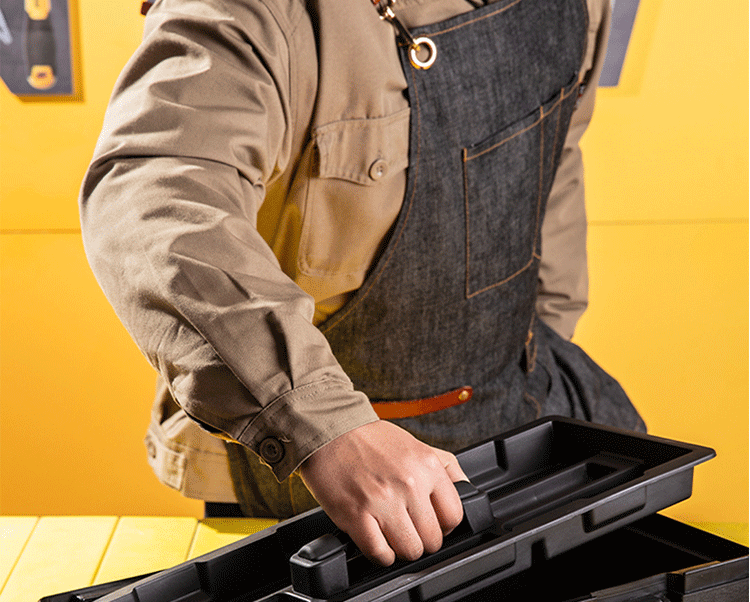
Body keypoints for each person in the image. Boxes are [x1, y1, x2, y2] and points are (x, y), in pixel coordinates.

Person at [79, 0, 645, 567]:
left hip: (520, 421)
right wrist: (324, 425)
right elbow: (153, 198)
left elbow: (556, 154)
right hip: (315, 484)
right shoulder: (258, 13)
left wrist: (541, 333)